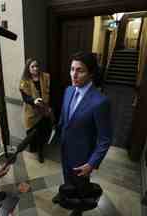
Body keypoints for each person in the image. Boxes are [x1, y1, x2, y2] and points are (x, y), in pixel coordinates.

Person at [52, 52, 112, 216]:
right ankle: (66, 195)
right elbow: (66, 120)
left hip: (82, 158)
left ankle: (78, 210)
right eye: (72, 69)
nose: (74, 74)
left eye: (80, 70)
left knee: (81, 187)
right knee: (67, 179)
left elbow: (105, 139)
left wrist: (91, 163)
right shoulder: (69, 90)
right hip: (65, 149)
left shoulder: (100, 102)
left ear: (91, 73)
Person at [19, 58, 52, 163]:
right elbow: (25, 98)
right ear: (28, 68)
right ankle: (34, 149)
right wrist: (34, 101)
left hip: (44, 111)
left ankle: (40, 153)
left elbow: (50, 92)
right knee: (32, 134)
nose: (35, 68)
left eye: (37, 66)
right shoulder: (24, 81)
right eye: (32, 66)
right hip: (31, 113)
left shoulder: (45, 77)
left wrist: (49, 106)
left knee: (42, 133)